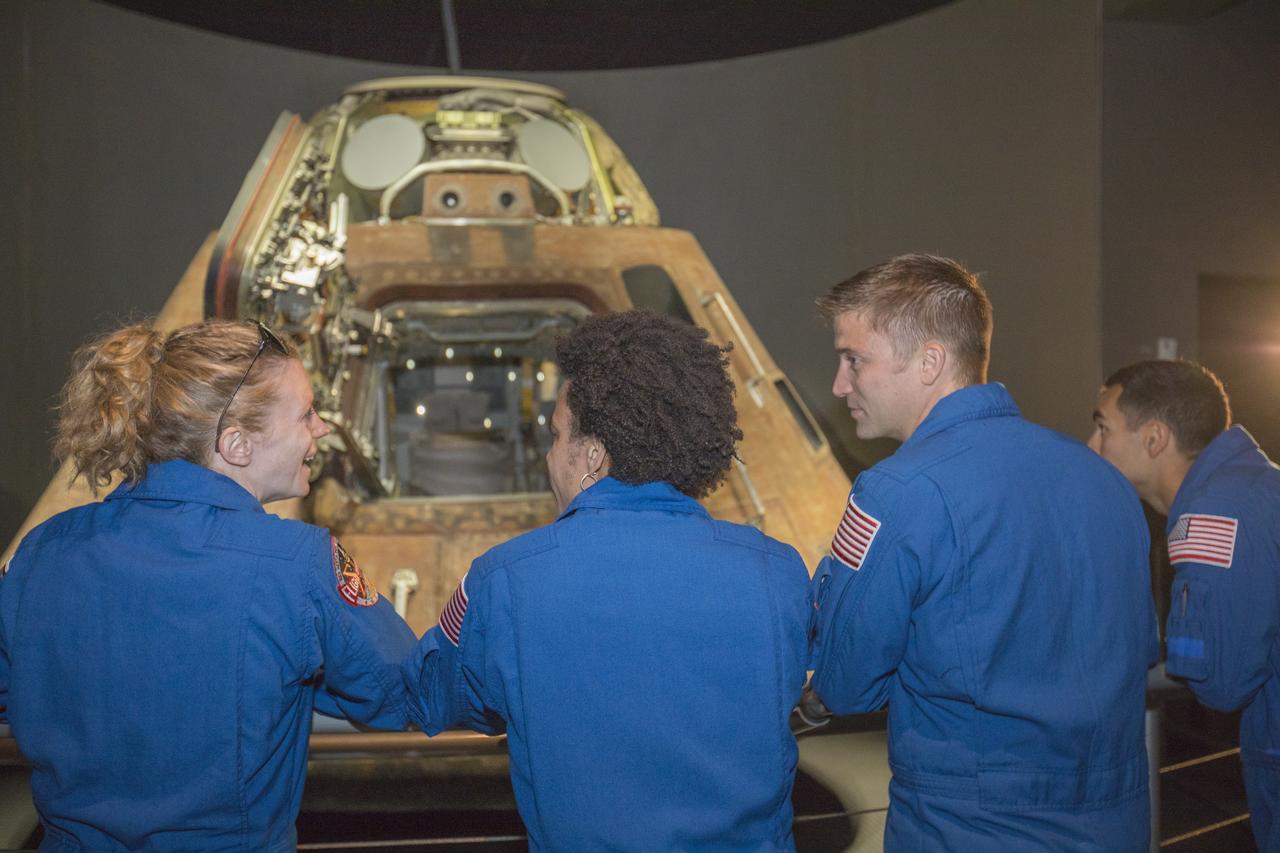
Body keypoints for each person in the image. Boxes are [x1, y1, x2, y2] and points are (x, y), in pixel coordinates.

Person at [401, 309, 811, 851]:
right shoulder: (777, 572)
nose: (549, 457)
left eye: (556, 436)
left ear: (592, 455)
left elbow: (432, 695)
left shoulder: (504, 581)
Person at [0, 319, 416, 851]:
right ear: (237, 444)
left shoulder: (42, 551)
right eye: (306, 414)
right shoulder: (296, 563)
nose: (322, 428)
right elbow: (407, 691)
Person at [807, 254, 1158, 851]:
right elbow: (1140, 647)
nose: (841, 384)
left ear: (930, 362)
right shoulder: (1104, 480)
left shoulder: (896, 491)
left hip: (969, 826)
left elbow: (847, 683)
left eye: (854, 360)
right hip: (1114, 821)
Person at [1088, 359, 1280, 852]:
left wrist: (1166, 651)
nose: (1091, 446)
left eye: (1103, 428)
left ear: (1154, 439)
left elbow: (1221, 681)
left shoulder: (1213, 514)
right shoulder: (1255, 488)